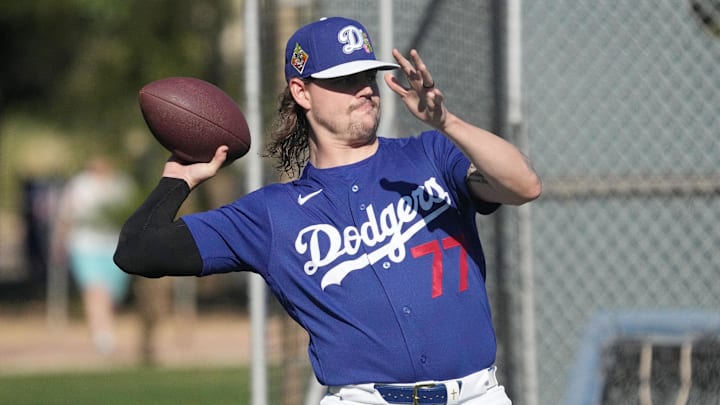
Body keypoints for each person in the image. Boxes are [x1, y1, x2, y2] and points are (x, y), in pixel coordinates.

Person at [114, 16, 541, 405]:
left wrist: (447, 123)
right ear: (302, 92)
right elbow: (138, 249)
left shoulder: (430, 155)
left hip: (475, 396)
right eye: (344, 79)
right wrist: (180, 177)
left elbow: (524, 186)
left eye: (367, 75)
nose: (365, 90)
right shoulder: (272, 214)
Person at [51, 155, 134, 355]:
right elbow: (66, 214)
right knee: (96, 292)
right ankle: (103, 337)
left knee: (112, 297)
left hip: (114, 247)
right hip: (85, 246)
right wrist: (59, 241)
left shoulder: (122, 185)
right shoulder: (79, 185)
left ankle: (105, 329)